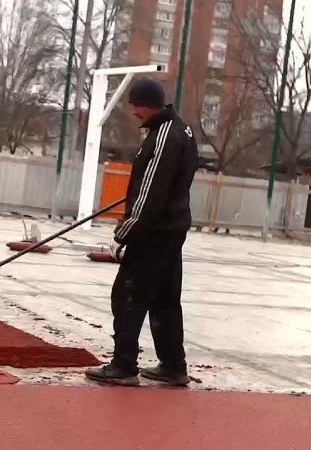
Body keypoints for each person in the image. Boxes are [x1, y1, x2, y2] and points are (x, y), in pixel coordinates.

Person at [84, 78, 199, 387]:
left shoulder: (163, 136)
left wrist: (124, 232)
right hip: (171, 230)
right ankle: (174, 366)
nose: (133, 112)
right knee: (165, 300)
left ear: (144, 104)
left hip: (154, 233)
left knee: (127, 296)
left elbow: (151, 194)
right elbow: (166, 183)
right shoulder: (182, 130)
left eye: (135, 105)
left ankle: (123, 365)